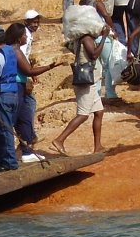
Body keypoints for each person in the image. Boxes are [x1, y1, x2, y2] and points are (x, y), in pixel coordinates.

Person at [0, 24, 60, 171]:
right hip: (13, 93)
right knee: (4, 128)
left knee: (4, 130)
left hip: (2, 95)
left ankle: (9, 163)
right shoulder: (12, 52)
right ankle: (0, 161)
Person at [45, 24, 109, 155]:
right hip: (86, 83)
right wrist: (104, 38)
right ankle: (59, 140)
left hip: (89, 81)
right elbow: (94, 54)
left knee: (99, 112)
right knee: (83, 115)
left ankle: (98, 146)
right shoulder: (86, 39)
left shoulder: (80, 39)